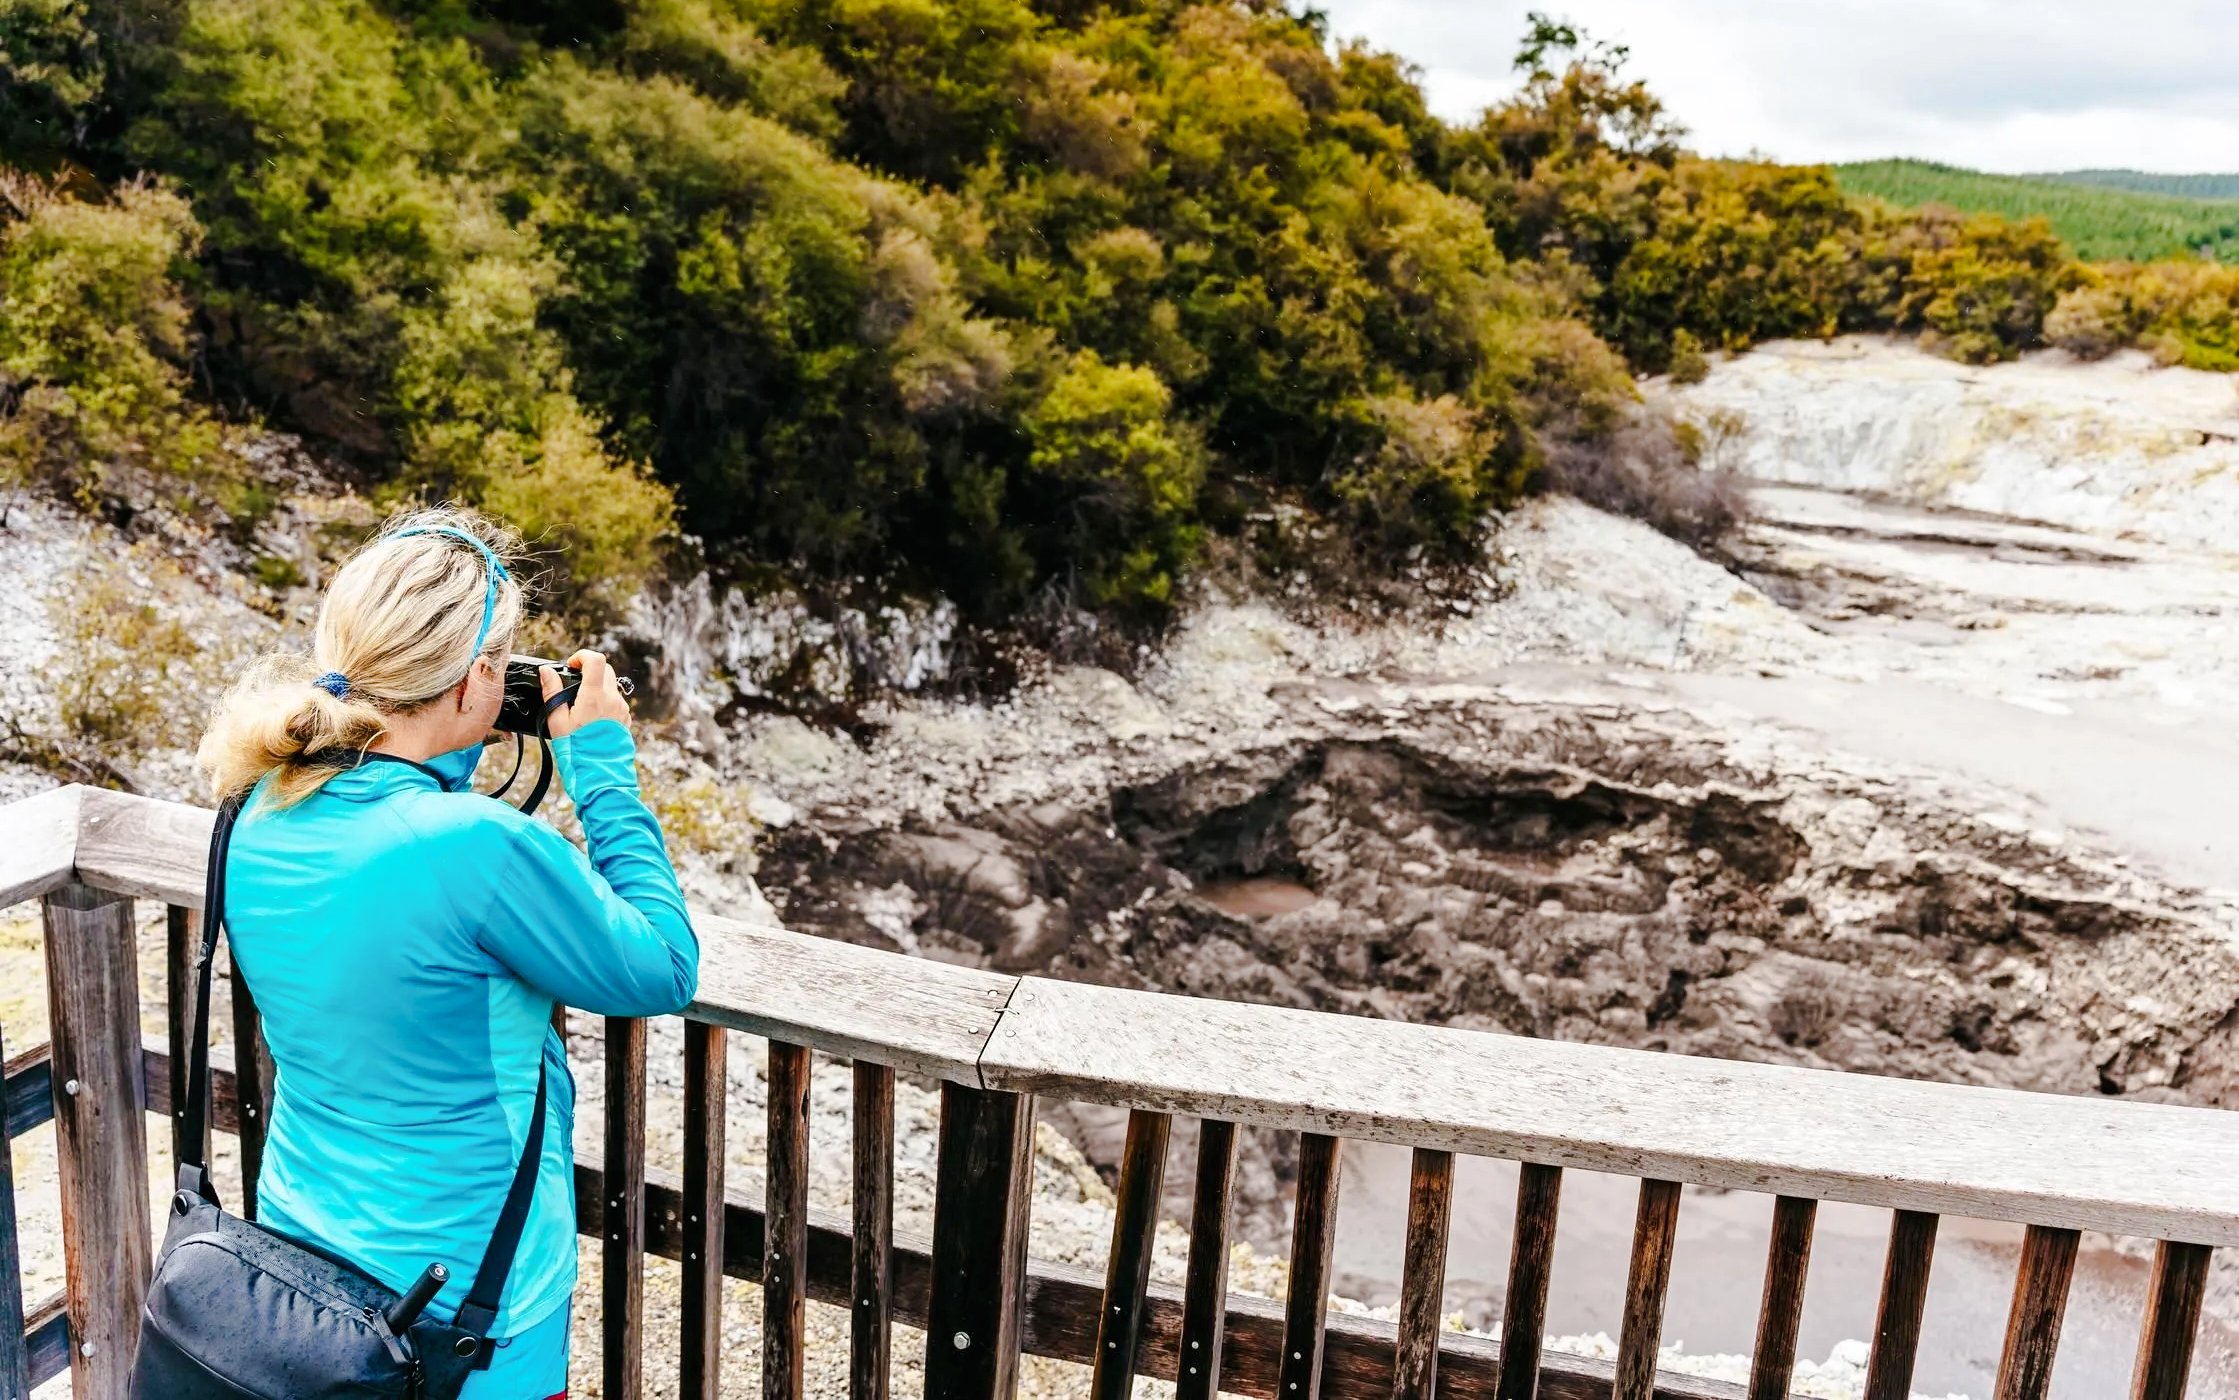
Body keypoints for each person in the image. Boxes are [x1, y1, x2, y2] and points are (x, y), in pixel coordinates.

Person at [195, 505, 698, 1399]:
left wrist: (446, 745)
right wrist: (602, 761)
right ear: (474, 679)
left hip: (297, 1261)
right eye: (498, 666)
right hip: (465, 1305)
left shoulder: (255, 805)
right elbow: (663, 964)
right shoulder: (473, 846)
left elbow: (395, 854)